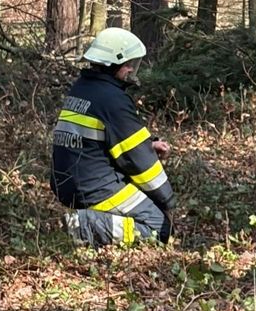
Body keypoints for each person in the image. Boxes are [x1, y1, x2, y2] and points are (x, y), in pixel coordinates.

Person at [51, 28, 175, 246]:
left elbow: (109, 139)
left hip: (69, 184)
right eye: (128, 64)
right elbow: (139, 161)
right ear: (113, 65)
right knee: (158, 227)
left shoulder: (82, 88)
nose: (131, 69)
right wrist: (167, 200)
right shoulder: (112, 100)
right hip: (94, 188)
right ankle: (83, 226)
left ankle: (88, 220)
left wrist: (149, 144)